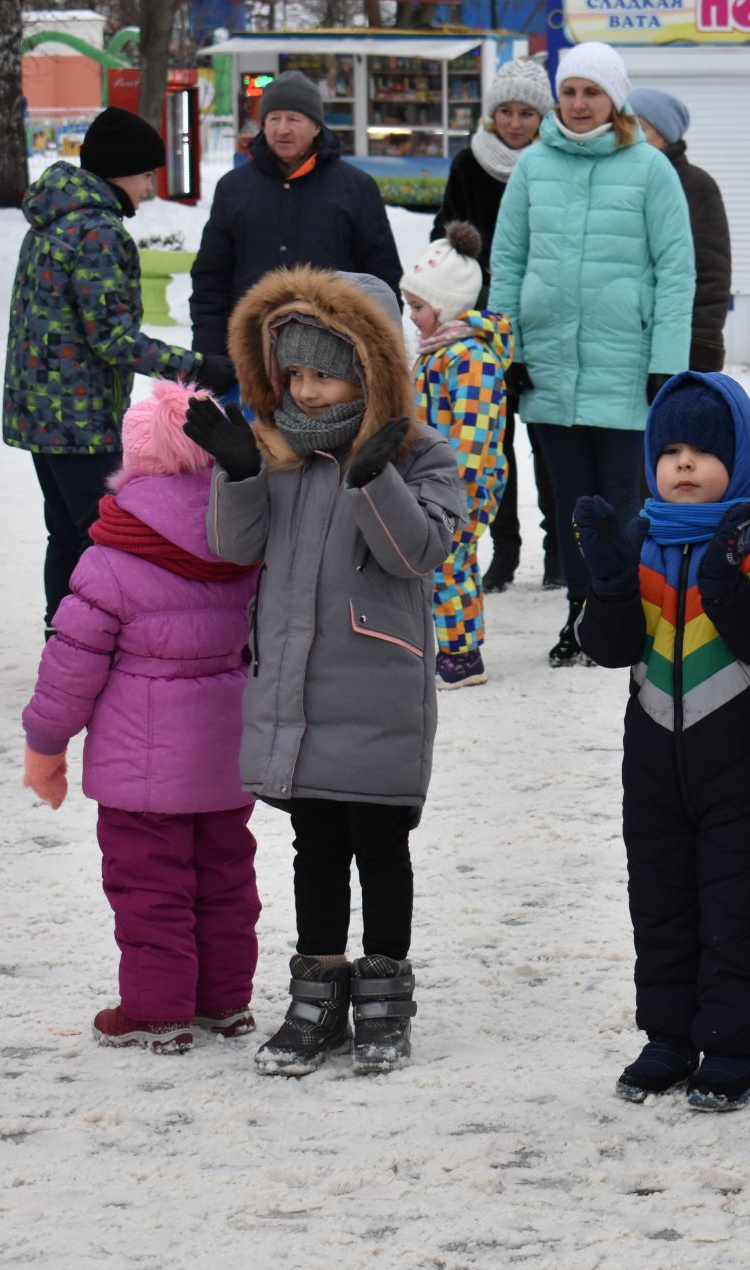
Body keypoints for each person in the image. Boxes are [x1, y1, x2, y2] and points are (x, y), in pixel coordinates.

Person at [183, 266, 466, 1078]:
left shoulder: (422, 455)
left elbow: (419, 552)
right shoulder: (281, 454)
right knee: (313, 849)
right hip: (298, 695)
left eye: (324, 371)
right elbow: (238, 548)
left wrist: (373, 476)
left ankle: (384, 993)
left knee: (380, 848)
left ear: (371, 371)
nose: (305, 392)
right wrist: (241, 474)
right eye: (294, 373)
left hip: (376, 693)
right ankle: (316, 992)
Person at [573, 372, 750, 1113]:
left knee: (738, 907)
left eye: (702, 451)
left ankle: (735, 1044)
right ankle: (668, 1037)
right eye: (669, 449)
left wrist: (726, 578)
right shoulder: (640, 544)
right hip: (654, 769)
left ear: (737, 461)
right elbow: (606, 650)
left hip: (745, 767)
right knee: (662, 904)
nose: (682, 464)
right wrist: (609, 586)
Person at [20, 379, 261, 1056]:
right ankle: (224, 1003)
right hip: (225, 757)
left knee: (149, 887)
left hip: (141, 770)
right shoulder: (243, 543)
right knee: (226, 880)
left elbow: (71, 663)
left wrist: (46, 744)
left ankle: (157, 1011)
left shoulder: (111, 558)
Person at [489, 41, 697, 668]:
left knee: (622, 503)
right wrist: (508, 349)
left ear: (616, 98)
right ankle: (580, 619)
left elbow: (676, 272)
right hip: (548, 366)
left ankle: (624, 614)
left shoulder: (649, 168)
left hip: (624, 366)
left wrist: (665, 360)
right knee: (568, 503)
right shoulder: (532, 168)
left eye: (592, 93)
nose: (579, 105)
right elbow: (508, 262)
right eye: (570, 92)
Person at [2, 106, 238, 632]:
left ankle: (62, 632)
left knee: (65, 531)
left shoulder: (50, 222)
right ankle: (91, 638)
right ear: (121, 171)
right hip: (79, 417)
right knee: (104, 533)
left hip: (38, 412)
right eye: (146, 174)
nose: (149, 187)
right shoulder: (99, 233)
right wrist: (199, 367)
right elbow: (112, 338)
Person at [432, 56, 561, 595]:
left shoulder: (557, 163)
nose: (515, 122)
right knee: (491, 442)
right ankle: (503, 551)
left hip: (547, 316)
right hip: (483, 324)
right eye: (505, 110)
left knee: (549, 440)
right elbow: (446, 240)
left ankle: (559, 552)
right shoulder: (469, 165)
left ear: (542, 117)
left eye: (526, 112)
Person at [189, 71, 404, 382]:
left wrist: (375, 357)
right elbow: (211, 279)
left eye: (294, 119)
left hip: (333, 362)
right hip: (252, 361)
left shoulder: (356, 188)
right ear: (262, 124)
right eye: (274, 118)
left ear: (316, 126)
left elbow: (382, 279)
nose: (283, 129)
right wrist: (210, 356)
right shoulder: (234, 189)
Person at [401, 222, 515, 689]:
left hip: (464, 484)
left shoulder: (469, 358)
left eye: (418, 307)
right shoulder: (437, 351)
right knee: (440, 560)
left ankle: (463, 655)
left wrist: (455, 485)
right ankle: (447, 644)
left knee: (450, 561)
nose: (411, 317)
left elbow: (473, 432)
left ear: (445, 307)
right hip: (437, 479)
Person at [628, 87, 732, 373]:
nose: (632, 135)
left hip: (680, 347)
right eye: (627, 124)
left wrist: (700, 346)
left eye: (643, 127)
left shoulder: (696, 185)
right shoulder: (619, 182)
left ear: (666, 134)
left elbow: (712, 274)